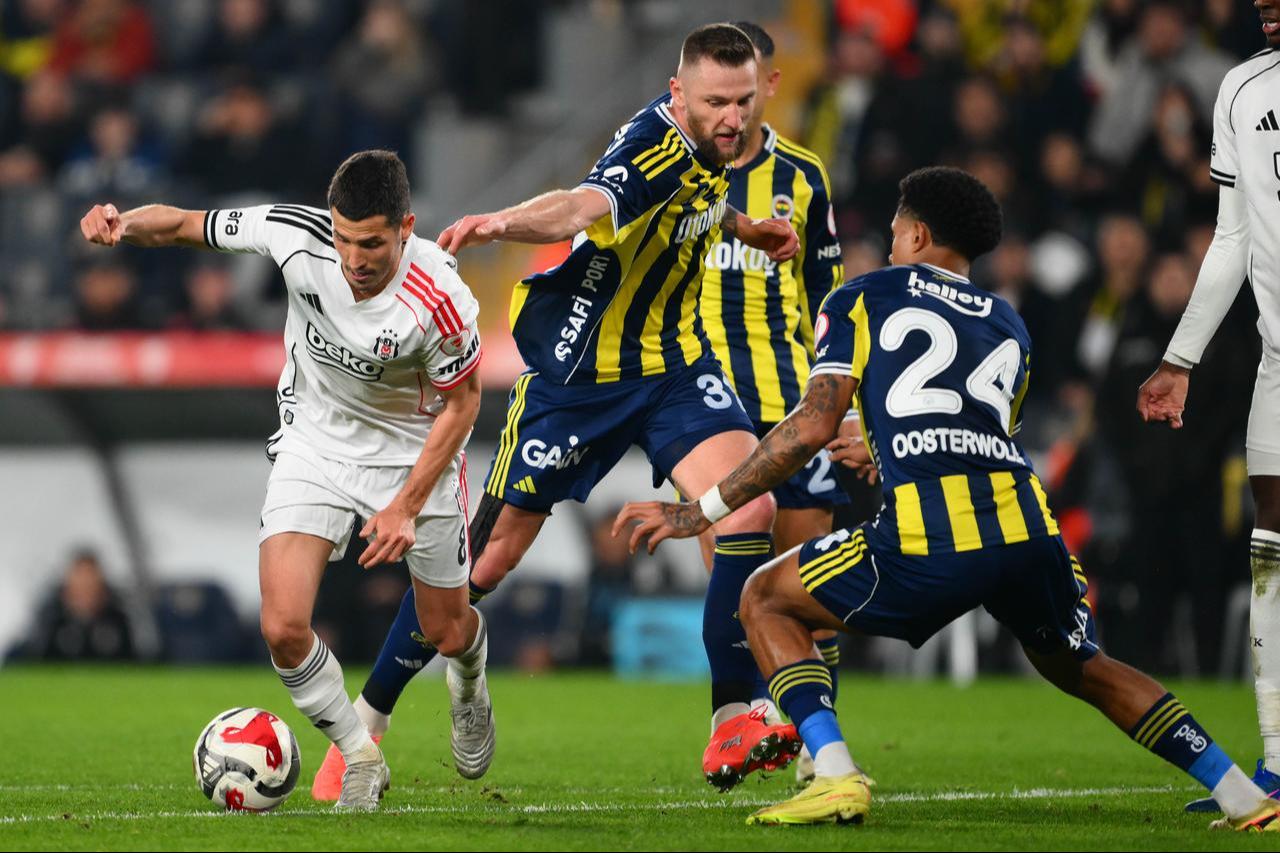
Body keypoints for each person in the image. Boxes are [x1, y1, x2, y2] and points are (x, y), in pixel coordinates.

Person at [615, 166, 1280, 831]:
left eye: (898, 226)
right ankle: (1242, 793)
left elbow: (813, 423)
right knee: (1085, 664)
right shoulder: (1007, 321)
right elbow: (977, 431)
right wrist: (882, 446)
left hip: (929, 539)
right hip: (1027, 528)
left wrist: (696, 509)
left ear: (917, 232)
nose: (893, 236)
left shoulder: (863, 295)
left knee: (762, 594)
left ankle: (835, 774)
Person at [310, 23, 800, 799]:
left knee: (746, 507)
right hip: (579, 381)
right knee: (485, 564)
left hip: (674, 369)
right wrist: (502, 222)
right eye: (716, 103)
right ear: (679, 95)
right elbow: (583, 204)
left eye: (743, 100)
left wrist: (748, 226)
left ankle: (731, 716)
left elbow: (691, 207)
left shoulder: (716, 151)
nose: (734, 118)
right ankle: (367, 722)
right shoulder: (654, 145)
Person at [78, 149, 492, 812]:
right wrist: (121, 223)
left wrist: (408, 503)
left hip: (413, 455)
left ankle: (470, 684)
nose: (355, 258)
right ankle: (361, 755)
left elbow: (465, 403)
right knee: (283, 626)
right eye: (346, 238)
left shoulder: (439, 296)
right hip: (315, 443)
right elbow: (186, 224)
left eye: (374, 244)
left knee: (448, 628)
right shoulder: (295, 233)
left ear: (406, 228)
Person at [695, 20, 861, 787]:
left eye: (748, 86)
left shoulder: (803, 174)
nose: (735, 107)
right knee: (738, 582)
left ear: (770, 84)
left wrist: (844, 403)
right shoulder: (678, 172)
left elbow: (828, 292)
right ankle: (738, 722)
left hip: (793, 407)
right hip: (703, 410)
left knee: (807, 592)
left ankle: (804, 742)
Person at [1137, 0, 1280, 814]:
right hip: (1278, 365)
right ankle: (1277, 765)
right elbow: (1232, 238)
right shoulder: (1238, 90)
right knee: (1271, 549)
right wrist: (1180, 357)